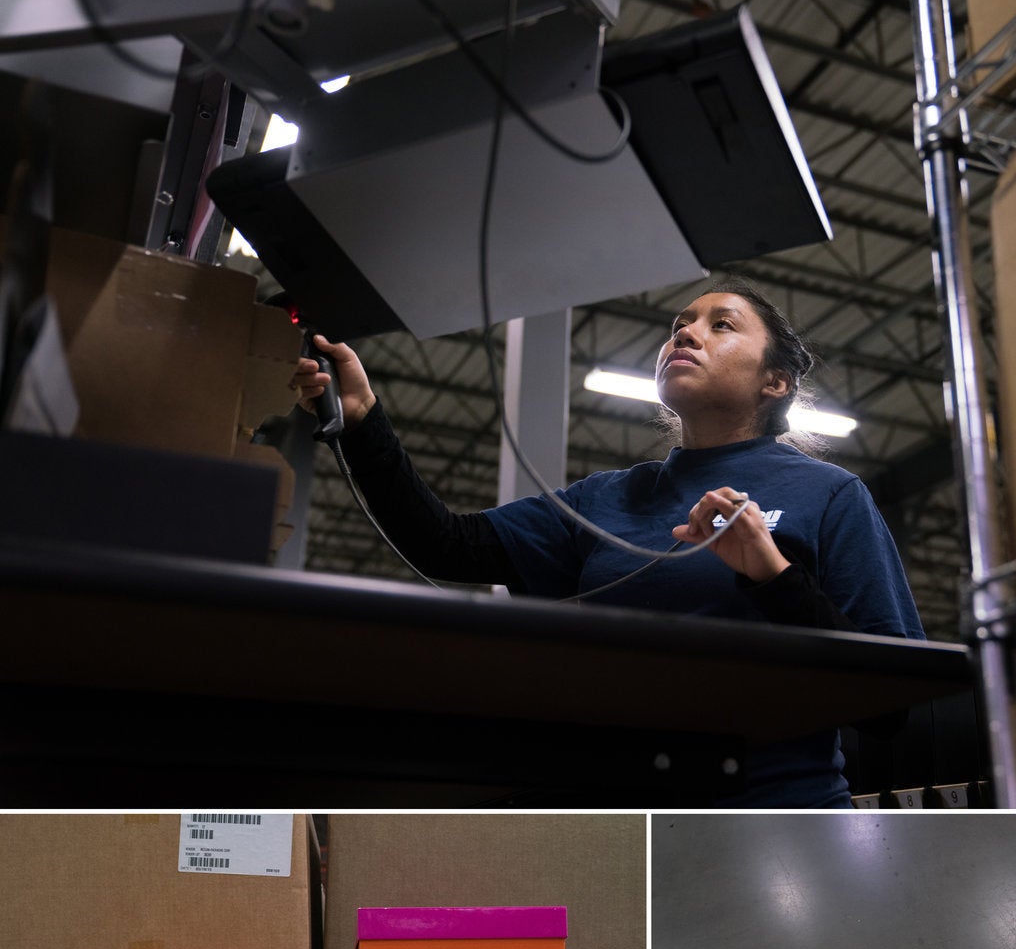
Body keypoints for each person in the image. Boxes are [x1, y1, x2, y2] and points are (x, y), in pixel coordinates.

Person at [292, 277, 924, 807]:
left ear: (775, 382)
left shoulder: (831, 495)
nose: (686, 332)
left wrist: (773, 575)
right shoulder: (606, 498)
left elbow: (890, 704)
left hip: (774, 812)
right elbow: (446, 545)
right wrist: (364, 421)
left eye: (721, 324)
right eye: (681, 322)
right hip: (615, 810)